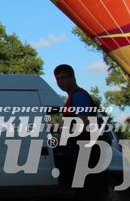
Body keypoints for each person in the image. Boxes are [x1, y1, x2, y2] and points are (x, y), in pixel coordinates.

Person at [53, 64, 102, 196]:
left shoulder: (79, 96)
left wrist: (61, 137)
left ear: (72, 77)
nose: (59, 82)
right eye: (57, 79)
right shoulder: (72, 97)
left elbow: (85, 126)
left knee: (88, 191)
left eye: (63, 78)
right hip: (81, 149)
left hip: (86, 151)